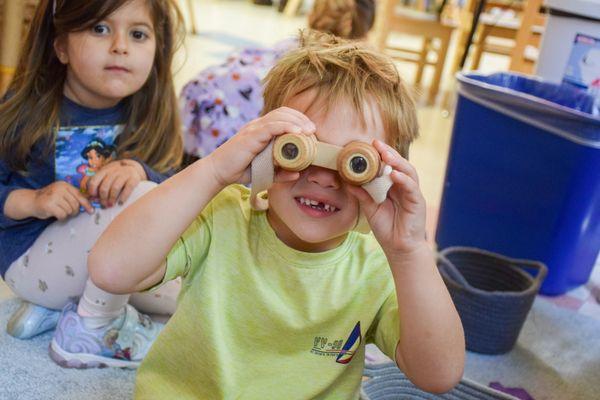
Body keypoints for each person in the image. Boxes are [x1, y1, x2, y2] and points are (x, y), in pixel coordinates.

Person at [91, 31, 465, 398]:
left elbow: (438, 375)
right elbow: (111, 270)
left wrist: (410, 251)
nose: (322, 176)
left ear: (383, 178)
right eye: (299, 149)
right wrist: (215, 170)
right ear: (266, 147)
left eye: (355, 163)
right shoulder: (222, 215)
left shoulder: (379, 265)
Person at [0, 0, 183, 368]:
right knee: (142, 199)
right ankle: (93, 328)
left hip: (109, 270)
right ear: (61, 46)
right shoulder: (27, 112)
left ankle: (63, 311)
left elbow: (178, 189)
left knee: (199, 287)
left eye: (138, 33)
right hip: (33, 262)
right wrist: (33, 201)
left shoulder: (149, 117)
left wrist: (142, 170)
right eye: (99, 29)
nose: (120, 45)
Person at [179, 0, 376, 162]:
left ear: (311, 17)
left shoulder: (285, 51)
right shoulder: (349, 84)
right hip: (227, 146)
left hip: (194, 113)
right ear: (366, 33)